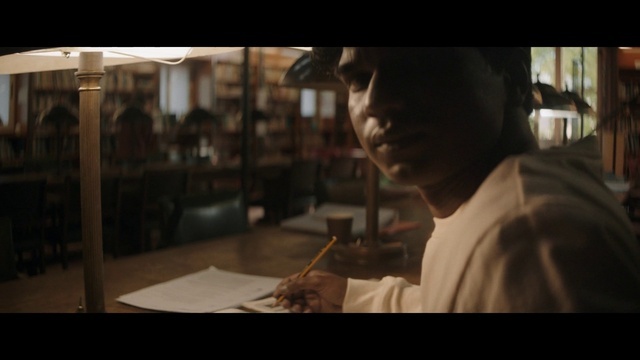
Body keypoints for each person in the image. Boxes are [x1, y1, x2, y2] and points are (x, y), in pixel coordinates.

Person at [273, 47, 640, 313]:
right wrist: (354, 297)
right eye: (358, 78)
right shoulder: (497, 208)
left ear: (515, 78)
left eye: (418, 64)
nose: (375, 101)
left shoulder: (524, 239)